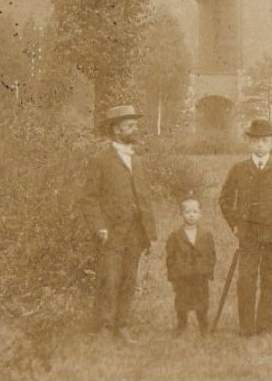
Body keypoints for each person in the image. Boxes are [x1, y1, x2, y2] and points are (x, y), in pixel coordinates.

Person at [78, 104, 160, 343]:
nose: (135, 129)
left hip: (135, 232)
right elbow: (88, 198)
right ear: (116, 130)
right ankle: (103, 328)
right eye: (130, 126)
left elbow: (144, 197)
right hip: (111, 233)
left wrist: (149, 231)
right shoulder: (100, 160)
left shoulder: (138, 161)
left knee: (129, 280)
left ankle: (122, 326)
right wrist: (99, 227)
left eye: (135, 125)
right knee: (109, 279)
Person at [216, 118, 272, 337]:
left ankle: (265, 325)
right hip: (248, 235)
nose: (260, 145)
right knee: (246, 280)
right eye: (256, 140)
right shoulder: (239, 169)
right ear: (249, 142)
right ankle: (246, 326)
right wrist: (234, 224)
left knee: (270, 280)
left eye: (265, 140)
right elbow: (224, 199)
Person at [164, 196, 217, 335]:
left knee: (202, 301)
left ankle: (203, 326)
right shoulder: (175, 236)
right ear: (181, 214)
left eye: (194, 212)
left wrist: (209, 271)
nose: (191, 215)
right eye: (187, 212)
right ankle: (181, 325)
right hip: (183, 275)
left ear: (200, 213)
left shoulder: (206, 235)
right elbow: (170, 258)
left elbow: (211, 254)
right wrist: (173, 277)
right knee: (182, 301)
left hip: (200, 275)